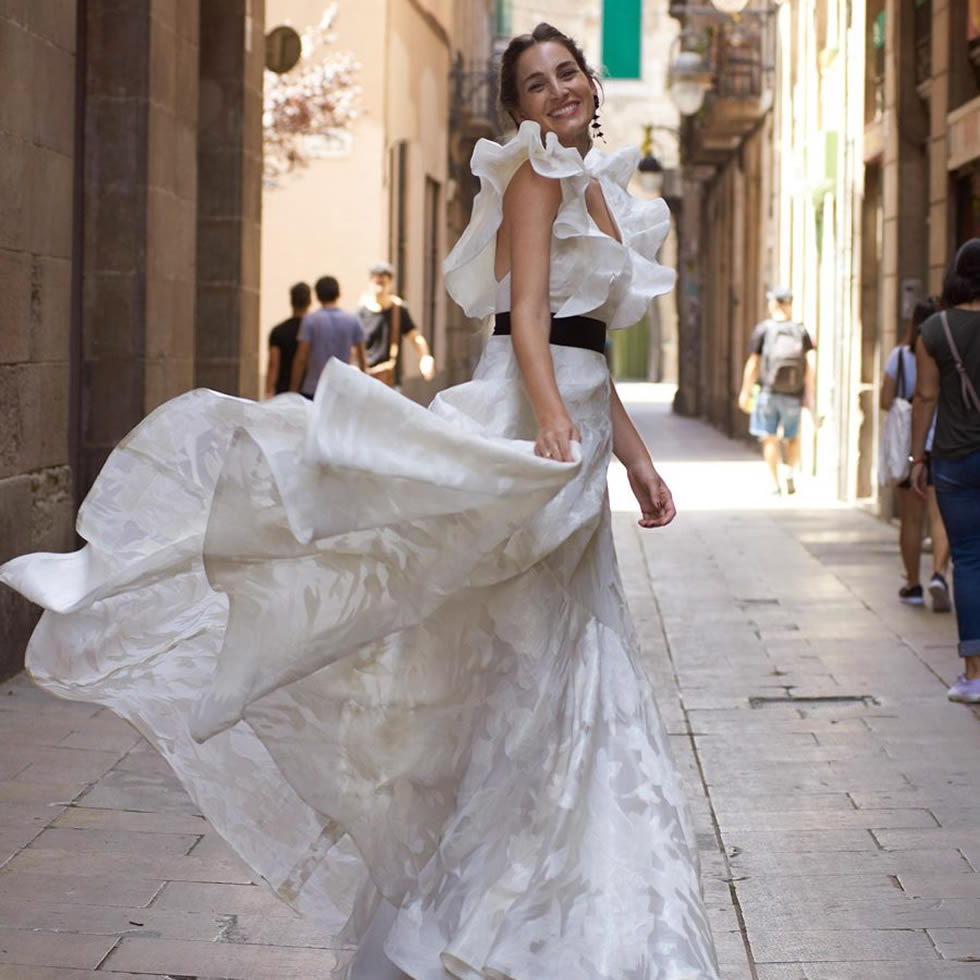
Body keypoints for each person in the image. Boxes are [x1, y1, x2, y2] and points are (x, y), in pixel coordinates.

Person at [0, 22, 719, 980]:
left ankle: (537, 903)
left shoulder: (595, 184)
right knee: (382, 549)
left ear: (589, 79)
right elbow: (534, 325)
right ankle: (135, 565)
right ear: (517, 109)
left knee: (554, 672)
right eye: (536, 84)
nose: (558, 91)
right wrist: (553, 425)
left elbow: (590, 348)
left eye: (567, 73)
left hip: (575, 447)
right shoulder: (536, 180)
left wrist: (632, 459)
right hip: (531, 426)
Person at [911, 238, 980, 703]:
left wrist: (918, 457)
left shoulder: (935, 330)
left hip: (954, 459)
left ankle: (974, 676)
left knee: (969, 560)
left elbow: (925, 397)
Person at [880, 297, 951, 610]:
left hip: (912, 446)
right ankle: (938, 573)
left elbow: (885, 399)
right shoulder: (947, 353)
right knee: (940, 516)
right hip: (944, 441)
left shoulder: (898, 357)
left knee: (911, 520)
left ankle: (913, 584)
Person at [737, 287, 816, 495]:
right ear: (789, 305)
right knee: (793, 436)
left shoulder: (764, 329)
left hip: (769, 392)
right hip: (793, 393)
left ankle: (774, 482)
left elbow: (754, 362)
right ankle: (789, 470)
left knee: (769, 437)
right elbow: (809, 366)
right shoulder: (801, 331)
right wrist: (810, 395)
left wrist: (745, 391)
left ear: (773, 305)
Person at [357, 262, 436, 386]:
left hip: (391, 380)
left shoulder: (398, 310)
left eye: (383, 283)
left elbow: (415, 337)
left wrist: (425, 357)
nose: (379, 288)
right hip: (365, 379)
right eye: (376, 283)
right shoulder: (361, 312)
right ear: (370, 282)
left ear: (390, 284)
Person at [290, 275, 366, 398]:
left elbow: (301, 357)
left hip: (314, 387)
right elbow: (362, 359)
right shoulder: (352, 320)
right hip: (342, 388)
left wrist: (293, 389)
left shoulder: (310, 320)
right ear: (338, 293)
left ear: (317, 295)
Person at [264, 281, 312, 398]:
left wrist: (269, 390)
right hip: (309, 390)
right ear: (310, 301)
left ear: (291, 301)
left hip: (283, 391)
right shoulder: (314, 330)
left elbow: (273, 364)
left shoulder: (279, 331)